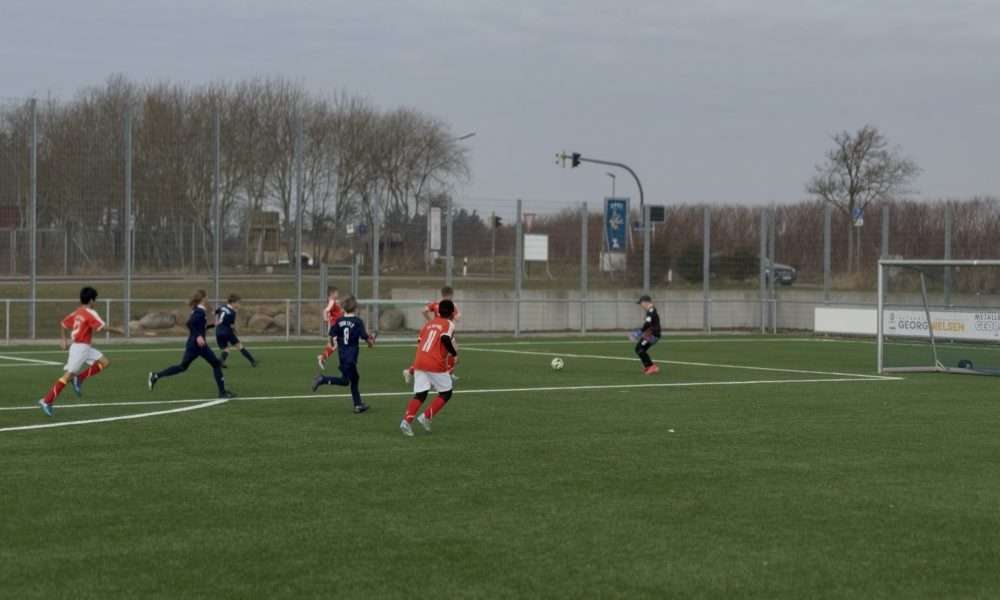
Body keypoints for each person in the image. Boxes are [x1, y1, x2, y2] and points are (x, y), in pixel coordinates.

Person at [37, 286, 113, 416]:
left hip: (84, 347)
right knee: (68, 375)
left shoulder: (78, 312)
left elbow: (63, 324)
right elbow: (102, 327)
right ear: (91, 300)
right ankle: (47, 400)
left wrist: (63, 340)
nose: (95, 302)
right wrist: (120, 330)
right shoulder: (90, 312)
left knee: (105, 362)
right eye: (95, 299)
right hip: (80, 348)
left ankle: (79, 379)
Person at [148, 290, 234, 398]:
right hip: (198, 345)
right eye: (207, 297)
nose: (208, 299)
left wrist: (212, 325)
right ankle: (222, 393)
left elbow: (199, 326)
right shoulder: (200, 311)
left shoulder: (198, 310)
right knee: (216, 364)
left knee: (182, 367)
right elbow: (190, 323)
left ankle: (156, 376)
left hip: (193, 345)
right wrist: (198, 336)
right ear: (203, 298)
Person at [400, 299, 458, 437]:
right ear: (451, 313)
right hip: (435, 362)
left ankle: (406, 422)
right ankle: (426, 417)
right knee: (446, 392)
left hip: (420, 361)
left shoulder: (429, 324)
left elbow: (420, 341)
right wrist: (453, 353)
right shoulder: (449, 324)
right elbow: (445, 339)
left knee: (421, 394)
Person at [311, 296, 374, 413]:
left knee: (348, 380)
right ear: (355, 308)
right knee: (351, 380)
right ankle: (357, 405)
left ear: (343, 308)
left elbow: (331, 335)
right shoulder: (358, 322)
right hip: (351, 358)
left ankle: (357, 404)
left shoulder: (339, 321)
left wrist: (331, 346)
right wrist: (371, 342)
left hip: (342, 356)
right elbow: (366, 338)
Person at [406, 286, 460, 383]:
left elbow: (424, 310)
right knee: (450, 352)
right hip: (446, 331)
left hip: (436, 331)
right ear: (450, 295)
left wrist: (431, 321)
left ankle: (410, 371)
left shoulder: (436, 304)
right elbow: (457, 318)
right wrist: (457, 314)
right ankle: (446, 374)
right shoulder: (451, 305)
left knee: (436, 354)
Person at [215, 294, 258, 368]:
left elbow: (215, 312)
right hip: (227, 331)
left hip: (218, 331)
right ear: (233, 303)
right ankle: (252, 361)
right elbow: (231, 325)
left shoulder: (222, 307)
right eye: (238, 303)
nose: (239, 304)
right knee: (239, 346)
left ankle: (220, 362)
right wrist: (234, 331)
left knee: (226, 349)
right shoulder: (232, 312)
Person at [631, 294, 662, 375]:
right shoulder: (650, 310)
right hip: (650, 333)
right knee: (639, 349)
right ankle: (649, 366)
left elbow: (647, 323)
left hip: (652, 334)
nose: (641, 306)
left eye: (641, 303)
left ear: (645, 302)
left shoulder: (651, 310)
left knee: (640, 349)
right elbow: (648, 323)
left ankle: (652, 367)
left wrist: (640, 332)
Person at [317, 287, 344, 370]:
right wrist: (325, 318)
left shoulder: (333, 301)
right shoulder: (332, 301)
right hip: (335, 327)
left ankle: (322, 357)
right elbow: (326, 310)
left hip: (336, 326)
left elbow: (336, 310)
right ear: (332, 294)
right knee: (335, 345)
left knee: (335, 344)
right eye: (336, 293)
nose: (338, 294)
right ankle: (322, 358)